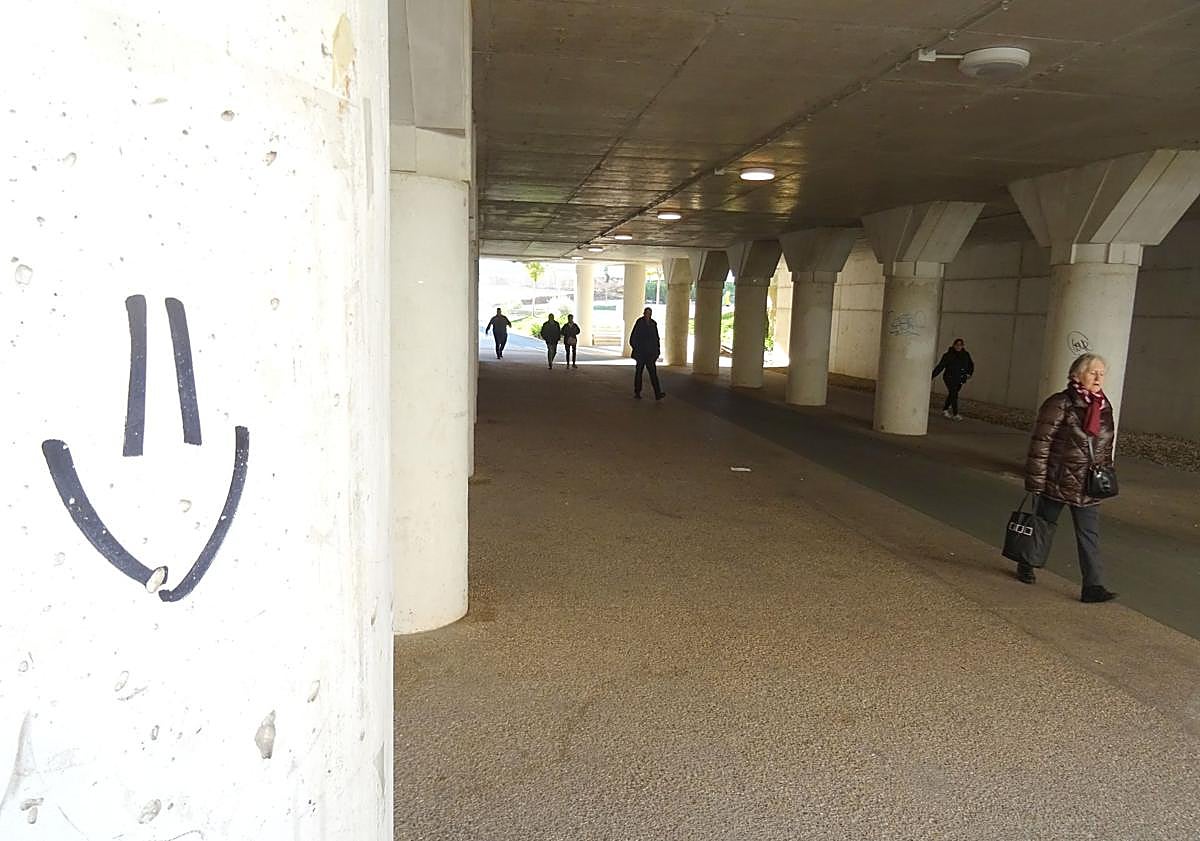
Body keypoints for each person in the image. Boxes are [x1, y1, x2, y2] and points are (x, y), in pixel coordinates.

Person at [1020, 352, 1118, 603]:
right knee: (1043, 526)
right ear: (1077, 375)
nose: (1098, 378)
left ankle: (1093, 587)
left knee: (1089, 535)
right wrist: (1036, 481)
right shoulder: (1060, 403)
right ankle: (1026, 563)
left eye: (1101, 373)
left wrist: (1106, 473)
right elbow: (1041, 443)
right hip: (1059, 480)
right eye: (1093, 372)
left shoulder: (1103, 406)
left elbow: (1105, 446)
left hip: (1088, 484)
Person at [932, 337, 974, 420]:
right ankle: (955, 414)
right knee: (954, 394)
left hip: (960, 378)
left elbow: (971, 364)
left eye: (960, 345)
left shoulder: (966, 354)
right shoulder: (948, 355)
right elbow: (940, 366)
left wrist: (969, 373)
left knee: (952, 394)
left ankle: (945, 409)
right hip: (949, 378)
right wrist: (932, 375)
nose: (958, 346)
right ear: (954, 345)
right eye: (957, 345)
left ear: (962, 346)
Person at [629, 307, 664, 400]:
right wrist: (636, 348)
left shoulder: (653, 324)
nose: (648, 315)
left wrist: (657, 351)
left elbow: (656, 338)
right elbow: (633, 337)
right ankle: (637, 392)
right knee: (639, 373)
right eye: (646, 313)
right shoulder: (639, 323)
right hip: (641, 353)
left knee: (653, 374)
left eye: (649, 313)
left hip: (650, 354)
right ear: (644, 313)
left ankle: (657, 393)